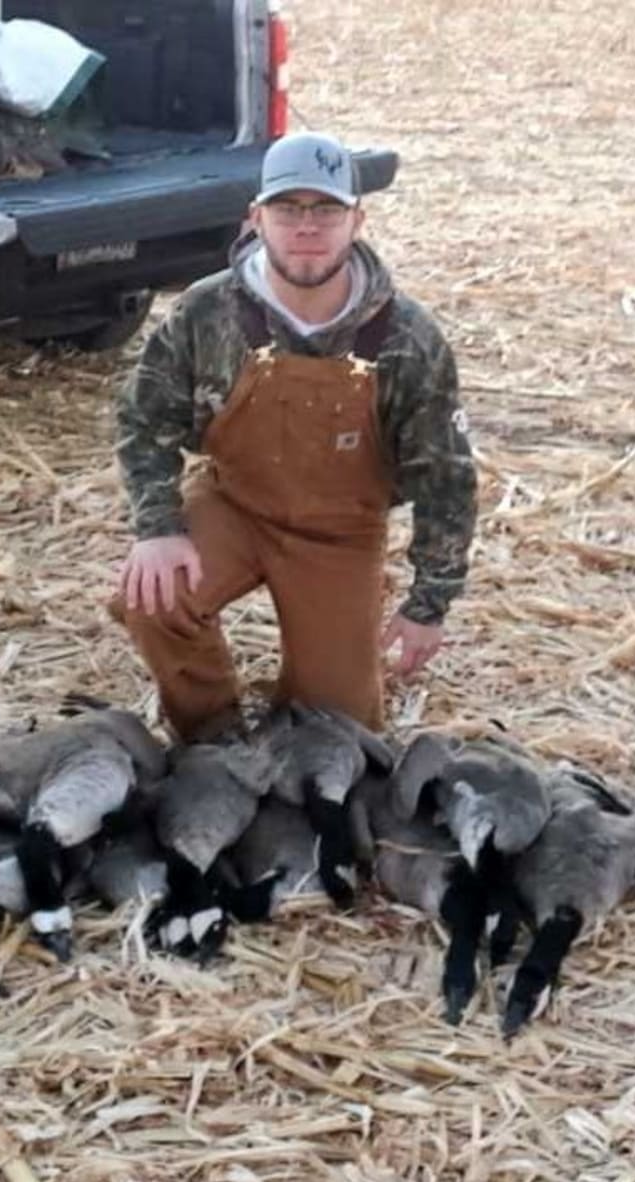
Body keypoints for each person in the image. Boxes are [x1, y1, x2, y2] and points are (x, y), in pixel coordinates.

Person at [110, 131, 477, 740]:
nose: (307, 227)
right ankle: (214, 739)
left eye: (326, 209)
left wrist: (428, 604)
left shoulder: (407, 337)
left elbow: (447, 477)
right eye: (288, 209)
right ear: (256, 218)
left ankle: (301, 720)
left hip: (341, 533)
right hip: (235, 505)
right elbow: (143, 420)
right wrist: (157, 529)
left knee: (338, 728)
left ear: (356, 221)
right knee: (152, 597)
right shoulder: (207, 311)